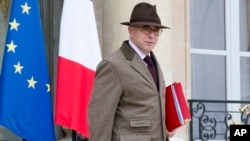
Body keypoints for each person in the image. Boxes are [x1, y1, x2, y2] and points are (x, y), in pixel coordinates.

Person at [88, 2, 174, 141]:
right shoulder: (113, 65)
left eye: (156, 30)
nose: (152, 35)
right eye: (146, 29)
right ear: (131, 30)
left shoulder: (153, 63)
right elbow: (99, 121)